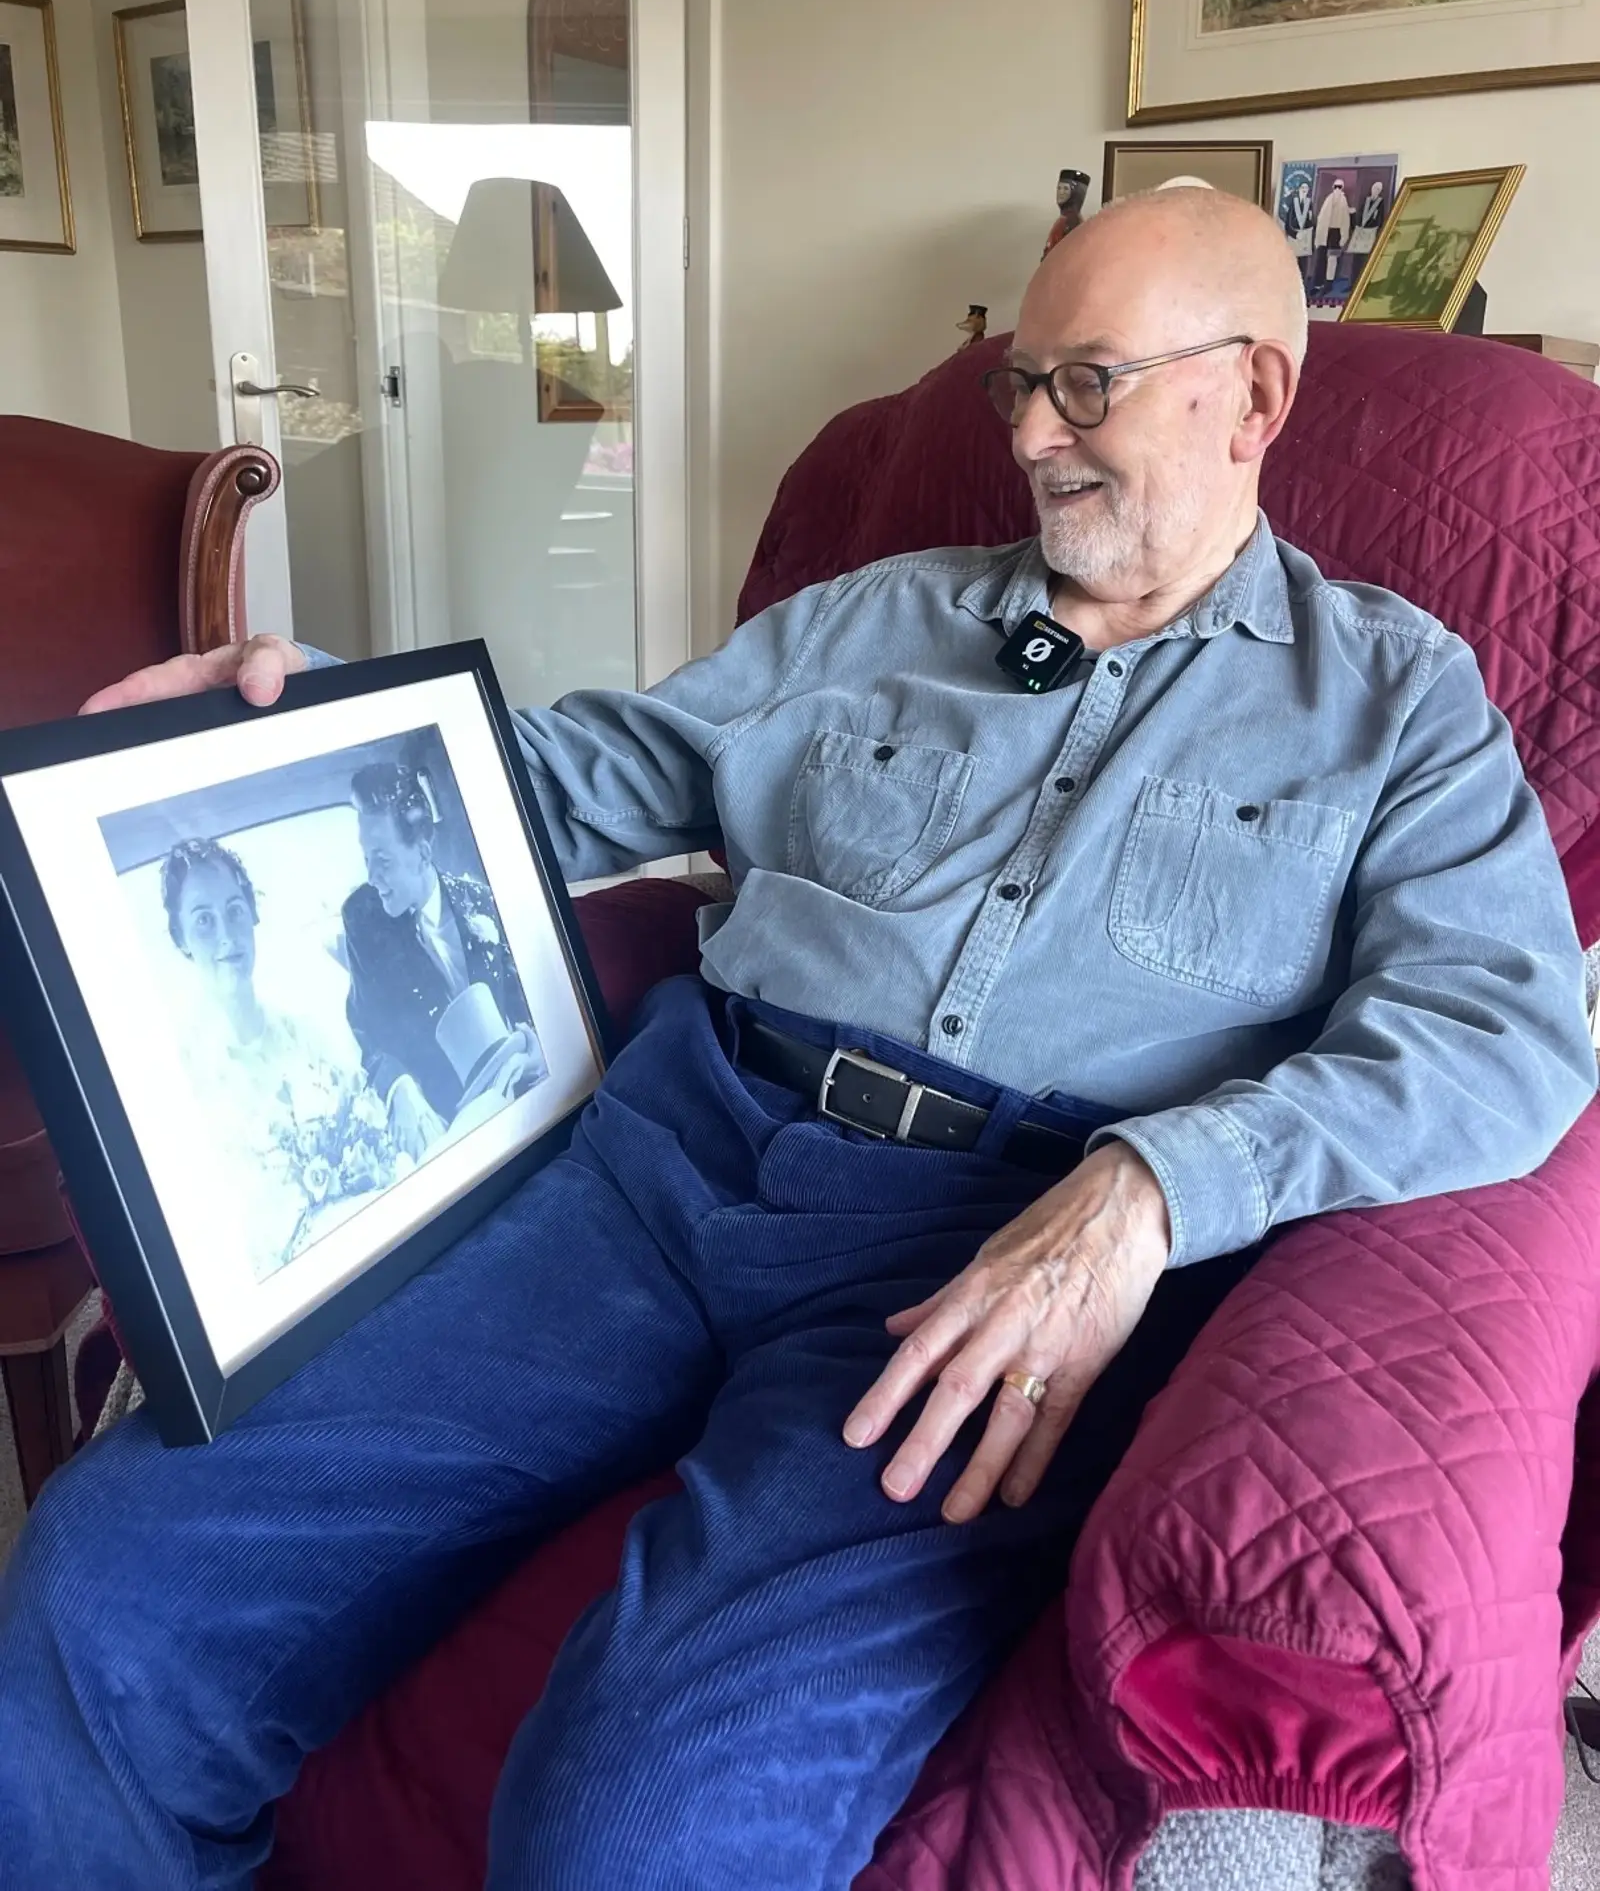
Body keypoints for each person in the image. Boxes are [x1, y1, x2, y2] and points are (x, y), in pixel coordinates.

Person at [1, 186, 1591, 1891]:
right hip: (657, 1161)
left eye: (1088, 385)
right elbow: (582, 775)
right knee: (103, 1592)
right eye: (1020, 385)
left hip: (980, 1256)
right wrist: (304, 718)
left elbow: (1501, 1028)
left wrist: (1151, 1191)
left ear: (1252, 393)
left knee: (636, 1827)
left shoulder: (1393, 700)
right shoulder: (877, 620)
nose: (1030, 437)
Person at [159, 836, 385, 1277]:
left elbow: (369, 1129)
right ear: (181, 939)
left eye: (234, 911)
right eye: (203, 921)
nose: (226, 936)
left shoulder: (309, 1036)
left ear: (252, 914)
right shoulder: (184, 1082)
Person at [341, 761, 540, 1159]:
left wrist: (536, 1045)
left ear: (423, 852)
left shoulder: (483, 900)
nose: (372, 877)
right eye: (366, 859)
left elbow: (530, 997)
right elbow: (369, 1030)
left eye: (382, 860)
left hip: (522, 1092)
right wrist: (398, 1086)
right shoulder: (362, 917)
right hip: (443, 1129)